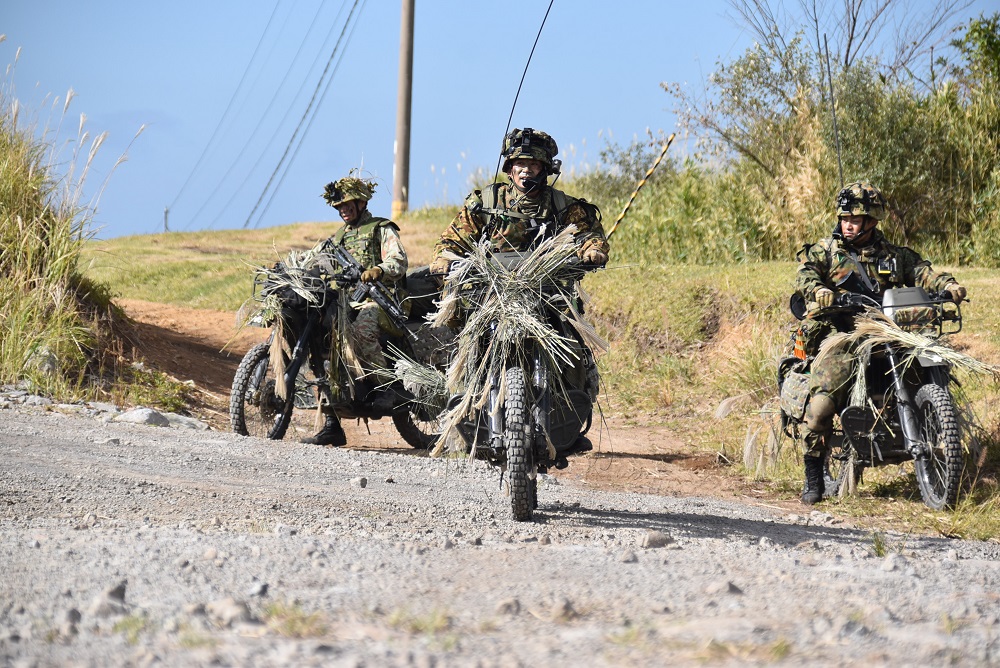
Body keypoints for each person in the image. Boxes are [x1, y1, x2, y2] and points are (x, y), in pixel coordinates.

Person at [792, 181, 967, 504]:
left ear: (872, 221)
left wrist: (948, 284)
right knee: (820, 408)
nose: (847, 223)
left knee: (930, 367)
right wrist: (819, 290)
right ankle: (814, 475)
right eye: (844, 217)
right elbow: (805, 275)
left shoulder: (896, 256)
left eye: (855, 219)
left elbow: (923, 273)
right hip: (844, 335)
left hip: (891, 333)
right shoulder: (826, 252)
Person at [302, 174, 409, 446]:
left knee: (362, 329)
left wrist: (379, 270)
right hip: (347, 302)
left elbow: (398, 261)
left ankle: (386, 388)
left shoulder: (380, 228)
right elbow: (316, 262)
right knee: (321, 340)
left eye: (348, 203)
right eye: (339, 206)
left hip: (382, 300)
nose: (343, 209)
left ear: (362, 202)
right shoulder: (338, 239)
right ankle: (332, 424)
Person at [429, 127, 609, 282]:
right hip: (490, 290)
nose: (526, 170)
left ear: (545, 170)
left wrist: (593, 249)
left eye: (533, 164)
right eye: (520, 164)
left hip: (550, 291)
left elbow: (588, 234)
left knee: (567, 320)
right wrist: (445, 259)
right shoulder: (487, 202)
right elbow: (452, 242)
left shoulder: (562, 205)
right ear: (509, 170)